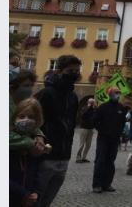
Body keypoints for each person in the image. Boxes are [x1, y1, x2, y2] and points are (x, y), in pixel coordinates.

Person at [34, 55, 81, 207]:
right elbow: (34, 121)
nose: (74, 73)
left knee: (48, 199)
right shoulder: (47, 93)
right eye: (70, 70)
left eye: (77, 70)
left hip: (64, 156)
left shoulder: (73, 96)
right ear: (59, 71)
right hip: (46, 156)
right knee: (36, 197)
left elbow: (71, 124)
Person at [10, 98, 46, 207]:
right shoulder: (11, 142)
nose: (26, 120)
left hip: (27, 197)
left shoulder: (36, 144)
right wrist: (24, 194)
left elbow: (38, 172)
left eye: (31, 117)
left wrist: (36, 192)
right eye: (22, 116)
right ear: (14, 118)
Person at [91, 87, 127, 193]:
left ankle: (107, 184)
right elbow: (95, 121)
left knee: (110, 162)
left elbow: (123, 122)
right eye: (116, 93)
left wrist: (119, 132)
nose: (118, 94)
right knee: (100, 161)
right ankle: (97, 185)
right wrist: (102, 130)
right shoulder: (103, 107)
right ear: (110, 94)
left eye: (119, 93)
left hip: (115, 139)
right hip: (103, 138)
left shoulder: (121, 107)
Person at [10, 69, 45, 155]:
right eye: (26, 86)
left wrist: (39, 135)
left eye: (31, 86)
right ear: (13, 88)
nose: (29, 89)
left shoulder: (25, 103)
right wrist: (29, 143)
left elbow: (33, 123)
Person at [75, 98, 97, 163]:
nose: (93, 104)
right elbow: (83, 115)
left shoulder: (94, 110)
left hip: (91, 128)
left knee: (88, 144)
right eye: (92, 102)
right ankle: (78, 158)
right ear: (88, 102)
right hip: (84, 128)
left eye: (93, 102)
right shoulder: (84, 108)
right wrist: (89, 107)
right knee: (82, 144)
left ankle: (84, 157)